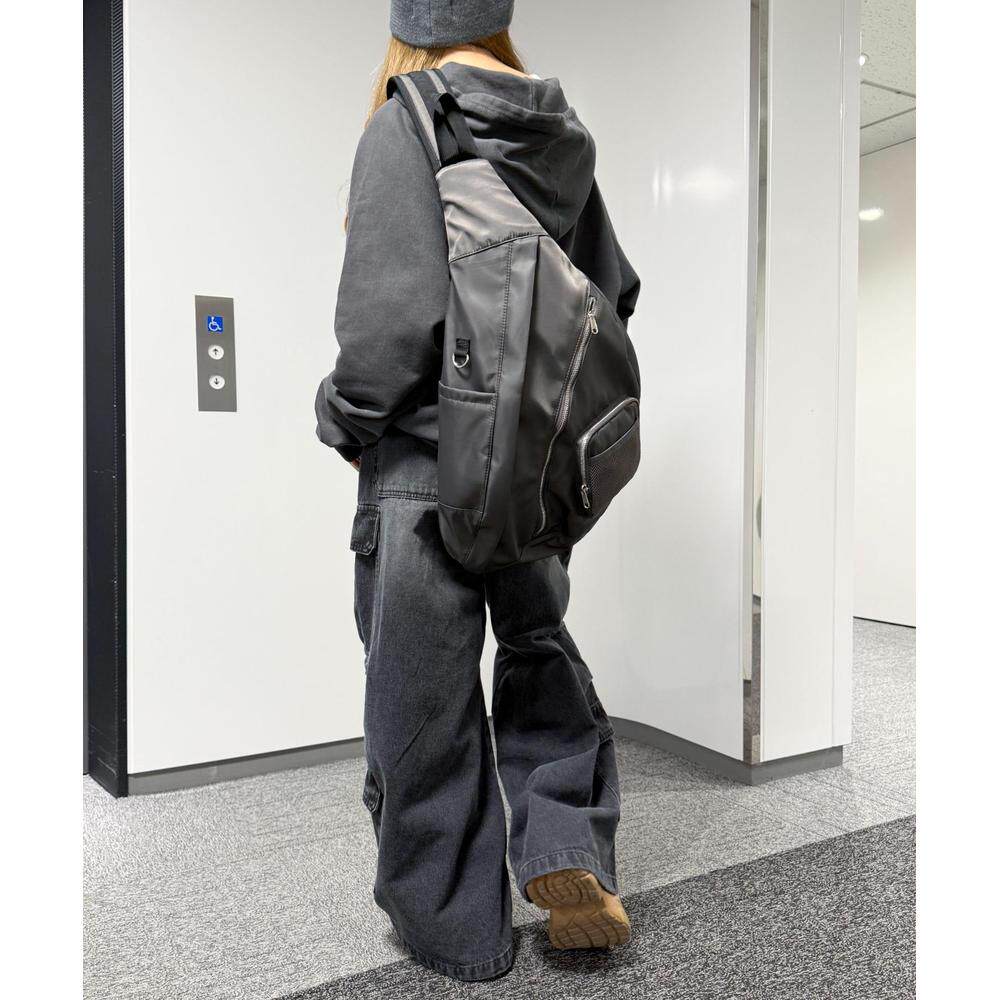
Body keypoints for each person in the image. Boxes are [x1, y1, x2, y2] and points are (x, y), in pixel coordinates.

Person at [315, 0, 640, 983]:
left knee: (421, 701)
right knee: (538, 647)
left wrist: (342, 417)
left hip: (424, 467)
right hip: (534, 462)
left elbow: (388, 327)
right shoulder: (558, 131)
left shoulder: (408, 117)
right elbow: (613, 291)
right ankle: (567, 848)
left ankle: (458, 931)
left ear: (407, 24)